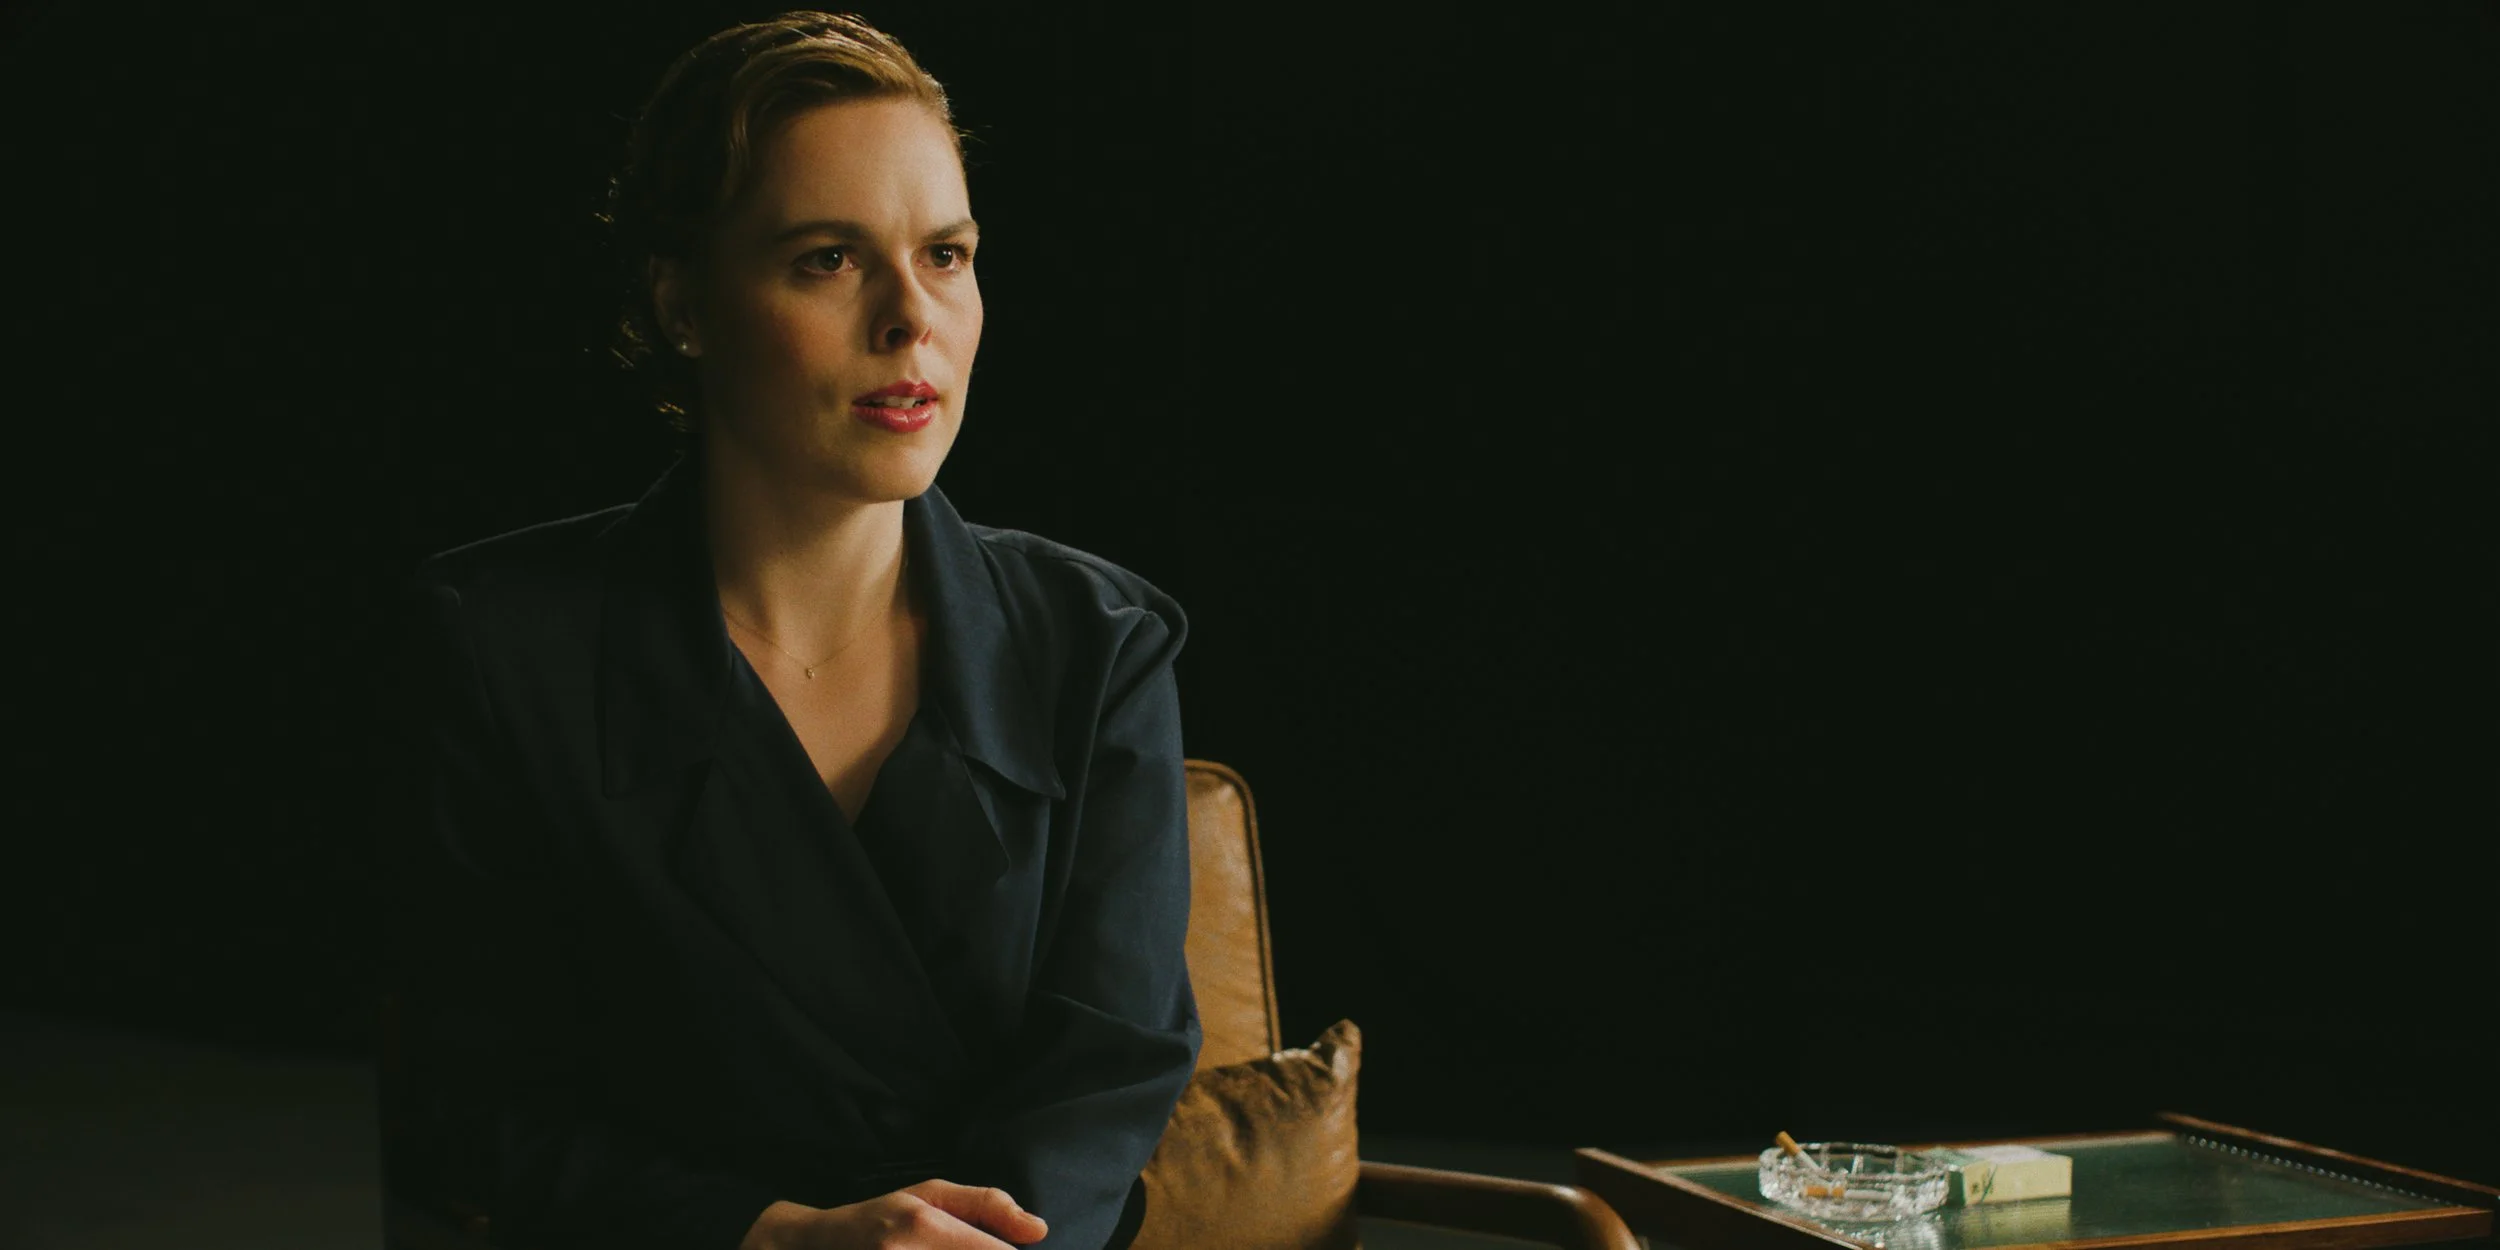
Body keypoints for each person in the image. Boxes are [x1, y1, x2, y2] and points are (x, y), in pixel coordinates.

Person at [377, 12, 1200, 1249]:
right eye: (827, 258)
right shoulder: (495, 646)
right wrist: (777, 1234)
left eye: (947, 253)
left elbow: (1113, 1065)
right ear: (684, 305)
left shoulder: (1100, 640)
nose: (909, 318)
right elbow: (467, 1105)